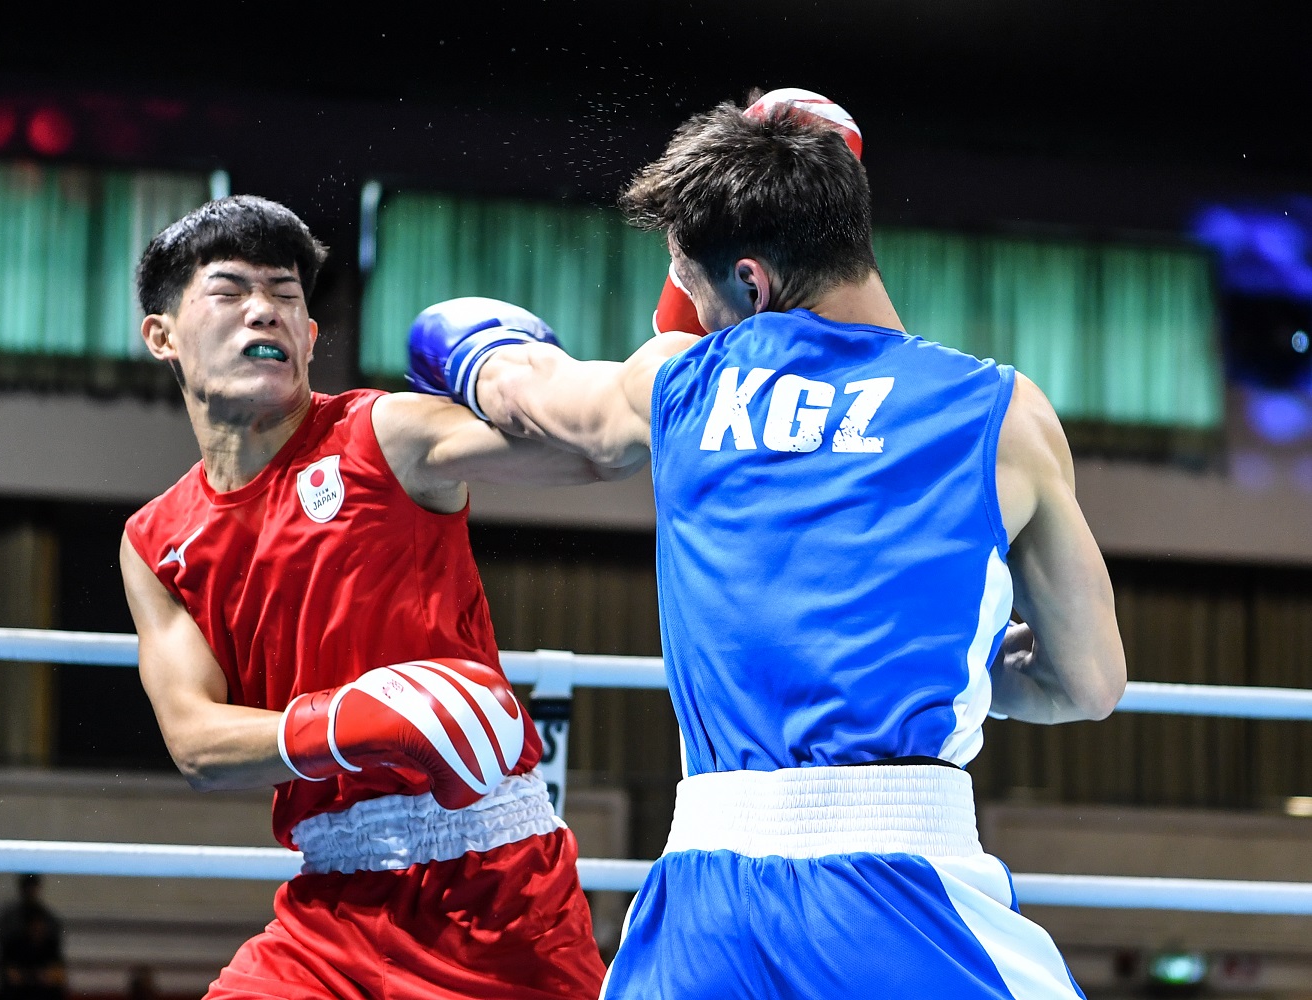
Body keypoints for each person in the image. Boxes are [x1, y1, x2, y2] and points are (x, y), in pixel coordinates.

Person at [409, 96, 1127, 997]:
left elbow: (526, 389)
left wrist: (466, 346)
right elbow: (1088, 683)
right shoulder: (1003, 412)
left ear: (751, 284)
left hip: (703, 911)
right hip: (903, 900)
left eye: (694, 289)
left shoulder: (678, 383)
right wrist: (960, 660)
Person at [118, 196, 611, 999]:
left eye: (285, 294)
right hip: (329, 910)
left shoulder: (387, 436)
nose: (263, 310)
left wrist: (515, 376)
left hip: (494, 896)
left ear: (311, 336)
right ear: (161, 334)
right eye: (230, 290)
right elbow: (196, 742)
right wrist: (351, 724)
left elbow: (602, 448)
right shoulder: (156, 540)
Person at [0, 874, 64, 1000]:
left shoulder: (49, 943)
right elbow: (9, 971)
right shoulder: (15, 941)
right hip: (20, 988)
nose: (38, 929)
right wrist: (27, 976)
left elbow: (57, 971)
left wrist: (43, 976)